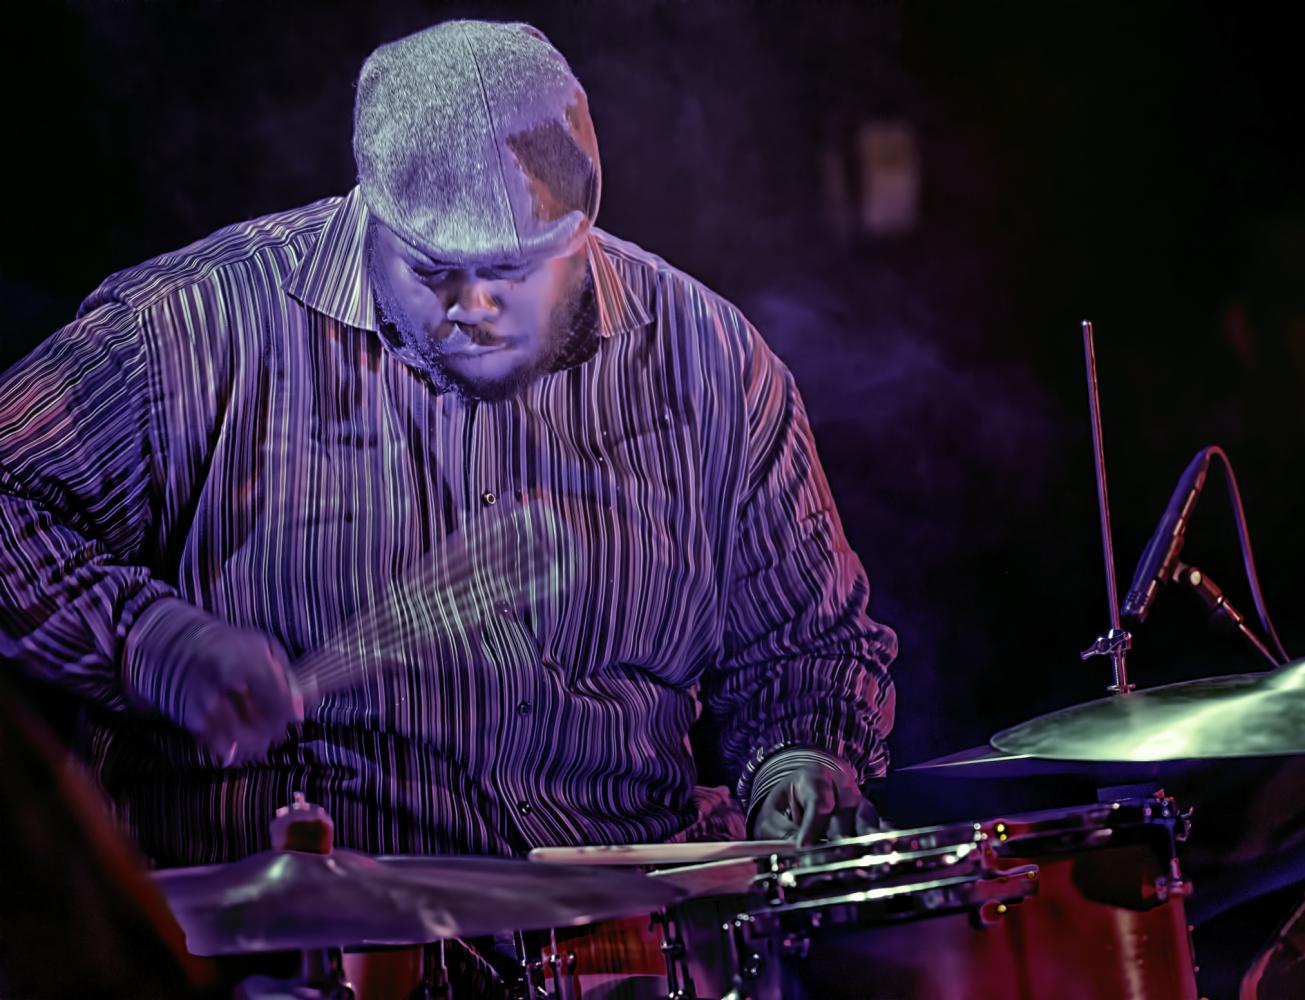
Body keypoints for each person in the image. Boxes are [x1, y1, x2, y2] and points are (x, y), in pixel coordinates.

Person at [0, 19, 895, 870]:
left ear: (580, 235)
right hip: (300, 953)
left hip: (618, 936)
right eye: (431, 269)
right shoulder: (191, 330)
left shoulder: (713, 359)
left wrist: (799, 763)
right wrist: (148, 638)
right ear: (370, 215)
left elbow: (806, 646)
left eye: (509, 269)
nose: (472, 305)